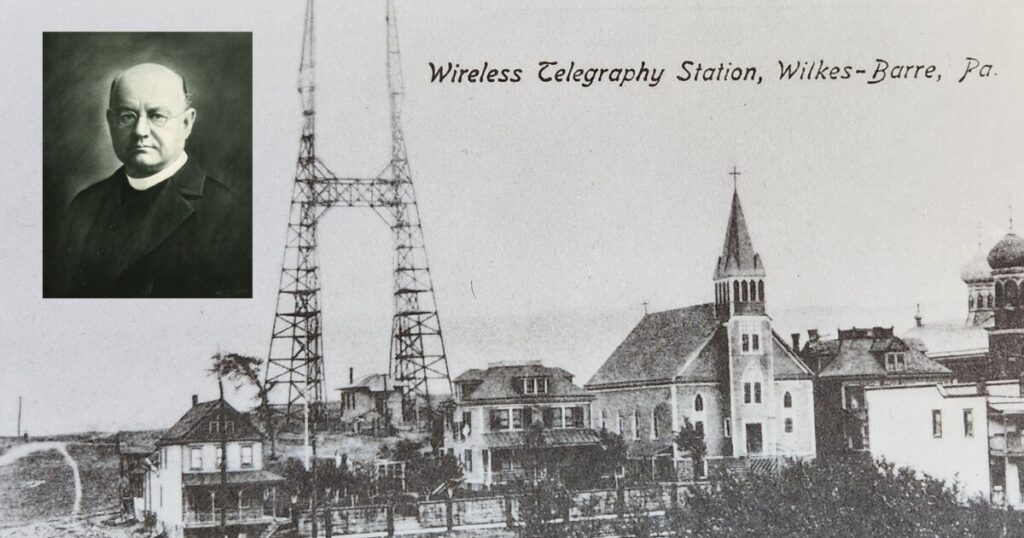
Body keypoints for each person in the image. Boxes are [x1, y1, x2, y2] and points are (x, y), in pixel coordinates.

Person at [55, 62, 250, 298]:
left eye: (158, 116)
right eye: (127, 116)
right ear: (110, 121)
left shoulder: (230, 213)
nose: (140, 130)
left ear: (186, 124)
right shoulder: (83, 206)